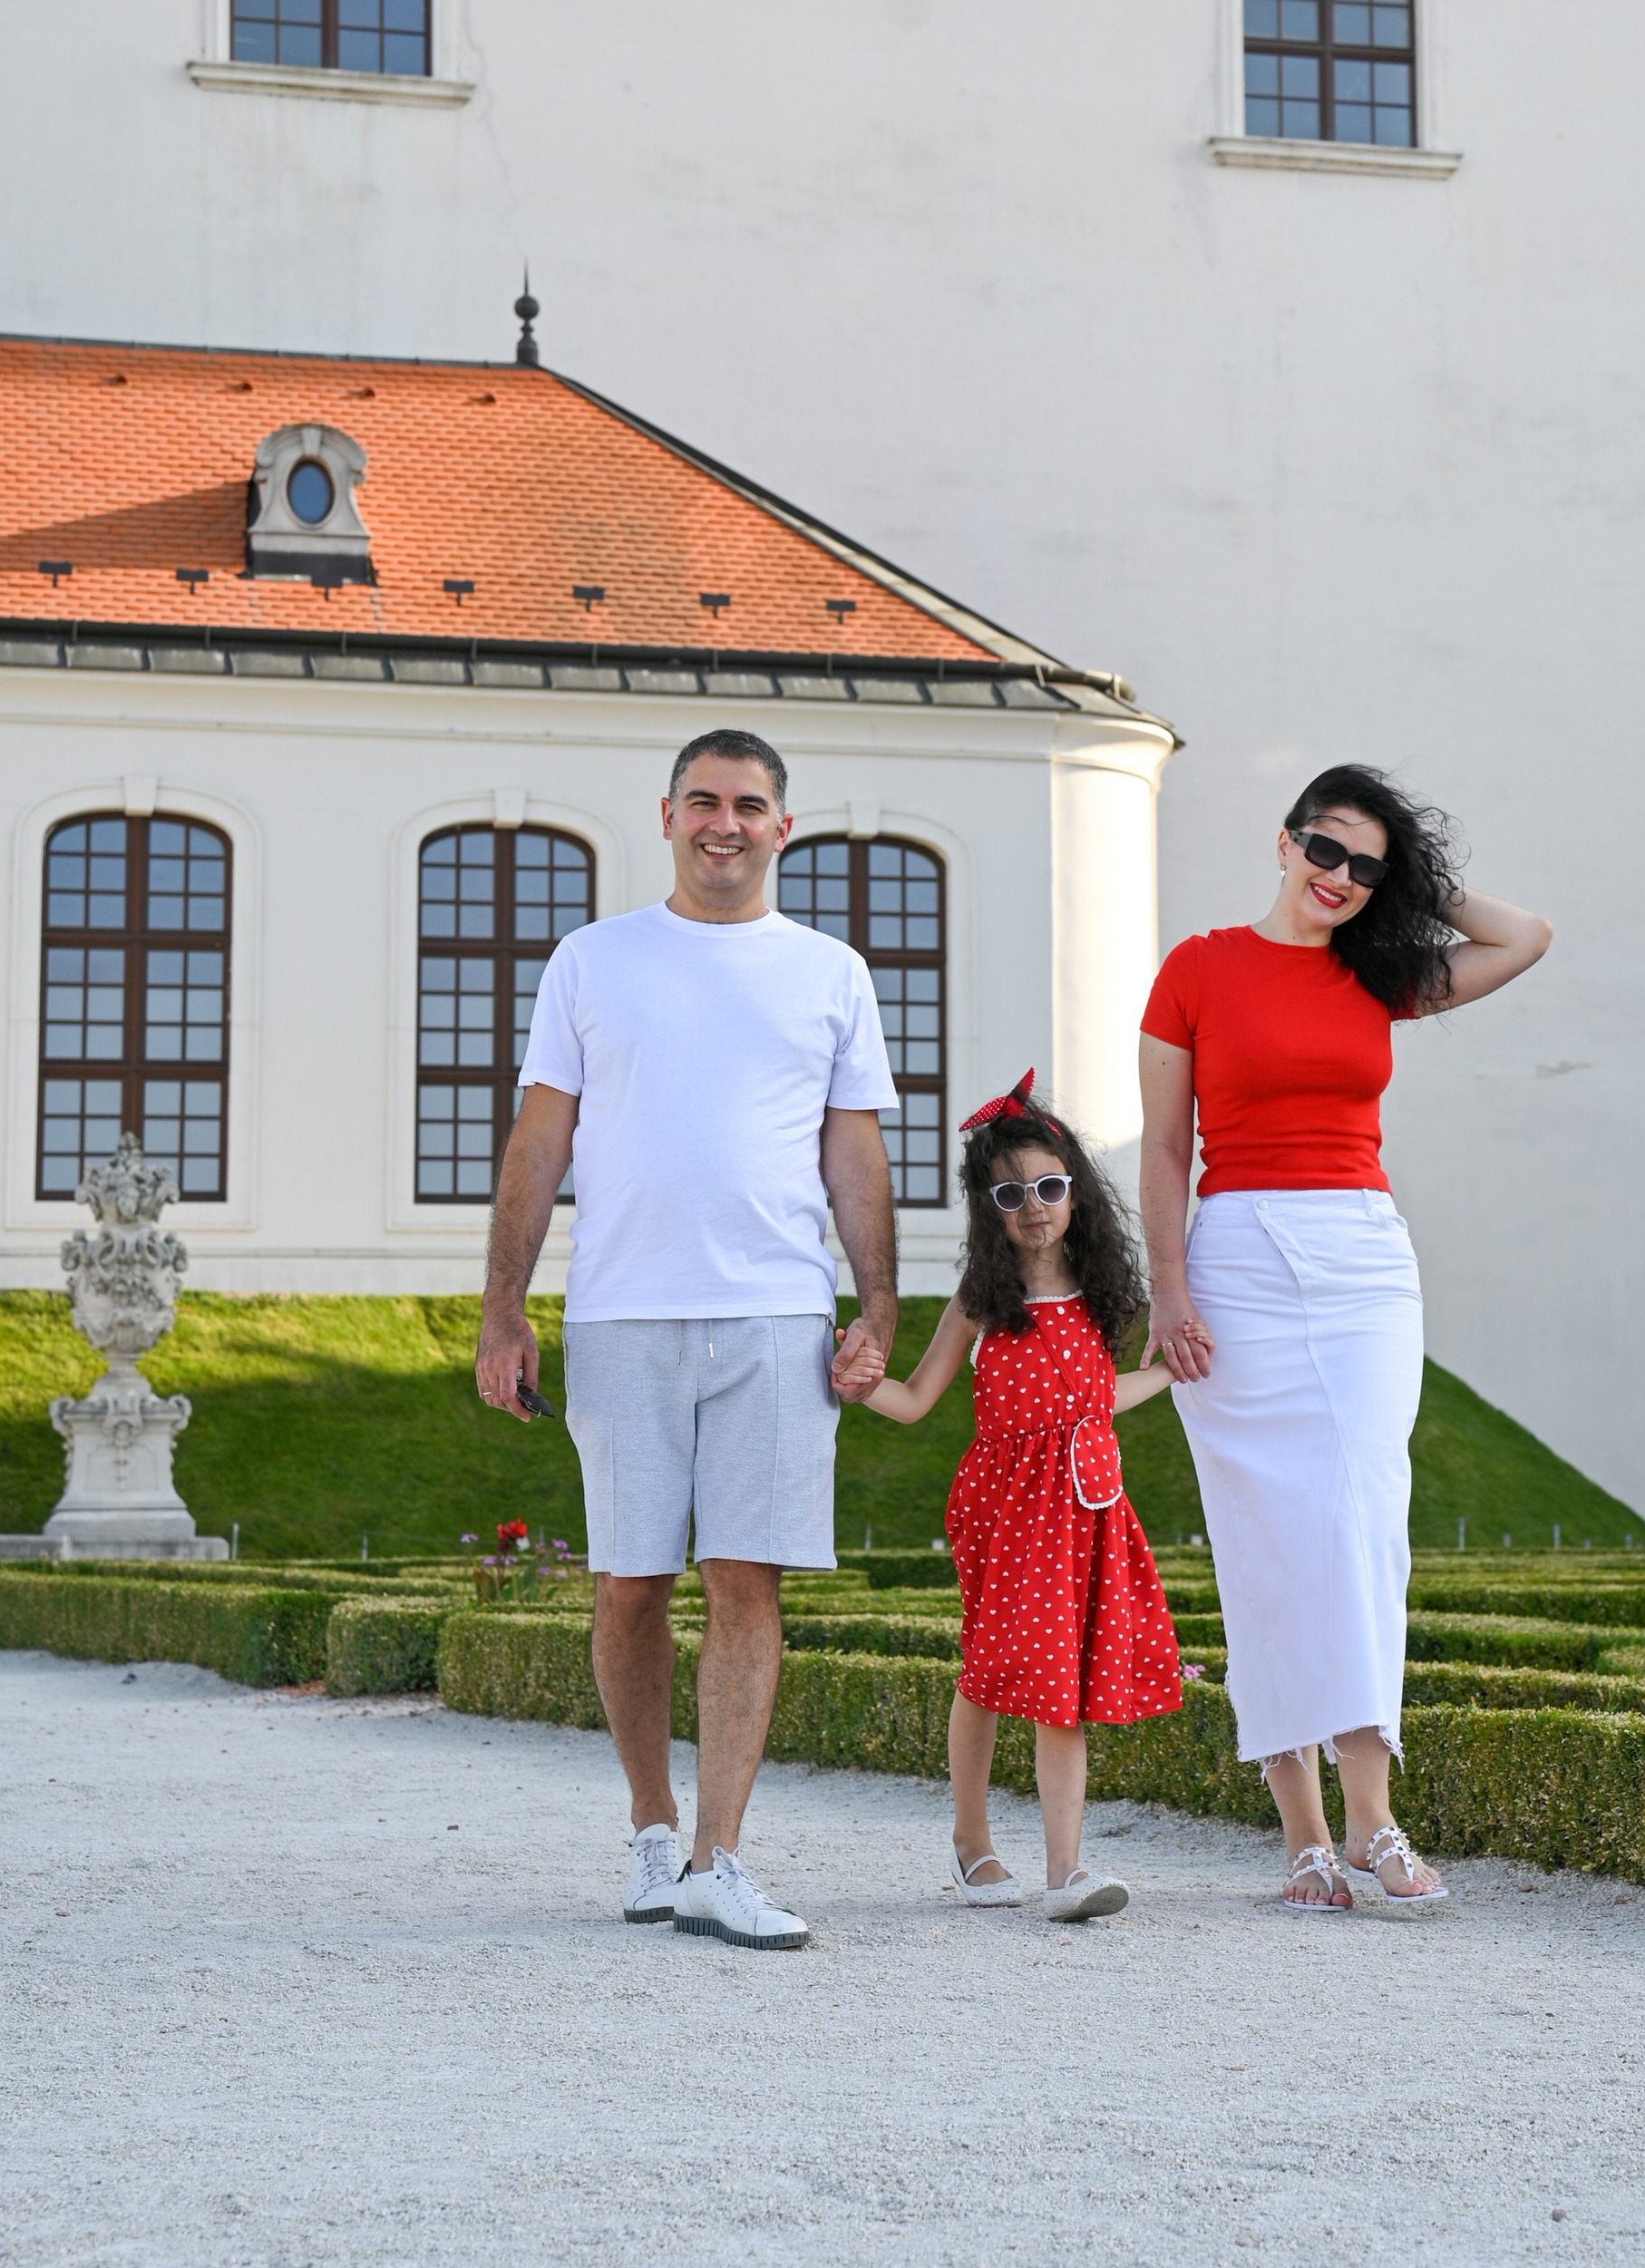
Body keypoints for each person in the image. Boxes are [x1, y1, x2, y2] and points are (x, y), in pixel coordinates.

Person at [475, 728, 899, 1952]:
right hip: (622, 1308)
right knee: (629, 1583)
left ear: (782, 827)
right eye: (704, 801)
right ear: (666, 817)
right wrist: (505, 1310)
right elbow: (538, 1143)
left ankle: (720, 1857)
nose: (726, 822)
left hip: (775, 1308)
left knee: (747, 1577)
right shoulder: (592, 961)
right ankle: (654, 1830)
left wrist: (876, 1309)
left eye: (750, 805)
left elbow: (854, 1152)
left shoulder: (830, 972)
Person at [1139, 767, 1552, 1913]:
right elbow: (1167, 1150)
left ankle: (1373, 1817)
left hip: (1364, 1256)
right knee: (1265, 1534)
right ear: (1283, 840)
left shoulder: (1383, 973)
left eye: (1368, 865)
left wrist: (1414, 882)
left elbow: (1526, 935)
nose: (1340, 877)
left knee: (1365, 1516)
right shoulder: (1198, 967)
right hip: (1232, 1255)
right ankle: (1303, 1835)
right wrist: (1169, 1291)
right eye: (1326, 849)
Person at [866, 1071, 1183, 1922]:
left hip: (1089, 1508)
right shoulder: (980, 1303)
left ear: (1074, 1192)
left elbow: (1095, 1398)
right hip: (1006, 1513)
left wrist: (1164, 1371)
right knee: (991, 1673)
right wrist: (859, 1383)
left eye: (1049, 1186)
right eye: (1013, 1193)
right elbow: (914, 1400)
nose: (1034, 1206)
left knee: (1063, 1683)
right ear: (989, 1207)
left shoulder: (1102, 1296)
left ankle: (1065, 1871)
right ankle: (973, 1844)